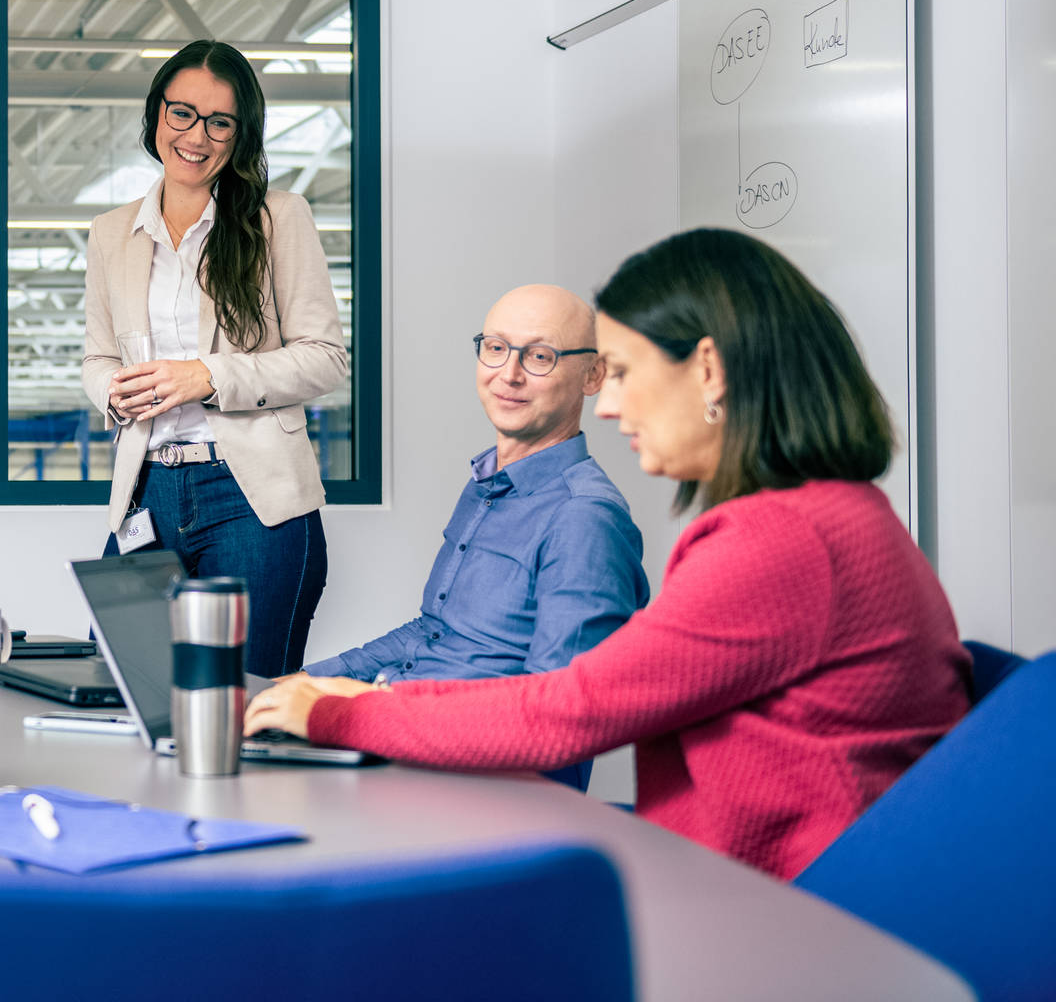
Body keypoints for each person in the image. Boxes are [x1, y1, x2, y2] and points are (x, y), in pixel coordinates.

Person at [248, 228, 971, 880]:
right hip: (756, 881)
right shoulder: (826, 516)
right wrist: (328, 695)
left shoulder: (781, 542)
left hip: (791, 914)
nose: (612, 405)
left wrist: (342, 714)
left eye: (621, 372)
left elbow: (572, 709)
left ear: (710, 372)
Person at [83, 40, 348, 676]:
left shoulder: (278, 218)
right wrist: (111, 393)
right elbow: (97, 357)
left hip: (250, 498)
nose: (195, 136)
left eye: (219, 122)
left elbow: (326, 359)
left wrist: (208, 377)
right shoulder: (111, 232)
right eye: (182, 113)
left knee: (248, 705)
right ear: (156, 118)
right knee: (126, 686)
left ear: (240, 134)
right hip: (147, 490)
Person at [299, 285, 646, 694]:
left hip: (454, 752)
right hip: (401, 722)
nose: (509, 374)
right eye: (496, 348)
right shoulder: (487, 482)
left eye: (539, 356)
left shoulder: (585, 518)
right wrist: (304, 683)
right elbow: (430, 634)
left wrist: (368, 706)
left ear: (594, 375)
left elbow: (558, 715)